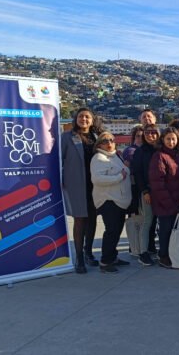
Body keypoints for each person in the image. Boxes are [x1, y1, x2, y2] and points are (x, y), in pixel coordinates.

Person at [62, 107, 102, 273]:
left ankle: (88, 252)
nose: (84, 119)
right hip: (76, 184)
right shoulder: (67, 137)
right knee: (80, 220)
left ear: (92, 120)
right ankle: (79, 257)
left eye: (87, 117)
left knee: (92, 219)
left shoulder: (97, 137)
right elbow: (59, 159)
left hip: (95, 184)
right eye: (81, 116)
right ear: (76, 119)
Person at [90, 132, 132, 273]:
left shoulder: (116, 156)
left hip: (119, 201)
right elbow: (97, 179)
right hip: (109, 200)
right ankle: (105, 261)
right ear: (99, 144)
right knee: (111, 231)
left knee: (117, 231)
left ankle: (113, 256)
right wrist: (119, 177)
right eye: (105, 140)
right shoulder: (98, 158)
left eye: (112, 140)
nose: (109, 143)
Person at [148, 128, 179, 268]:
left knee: (173, 231)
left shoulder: (177, 156)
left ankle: (172, 254)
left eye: (173, 139)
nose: (171, 142)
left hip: (177, 200)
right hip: (164, 202)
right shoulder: (159, 156)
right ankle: (163, 256)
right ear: (163, 140)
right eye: (168, 139)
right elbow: (157, 183)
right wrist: (169, 202)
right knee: (165, 230)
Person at [129, 124, 159, 266]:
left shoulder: (162, 149)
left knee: (161, 222)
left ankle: (156, 249)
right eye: (147, 133)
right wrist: (145, 192)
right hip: (147, 192)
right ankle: (143, 252)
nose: (150, 135)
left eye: (153, 132)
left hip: (163, 192)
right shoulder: (140, 152)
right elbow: (138, 174)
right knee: (147, 221)